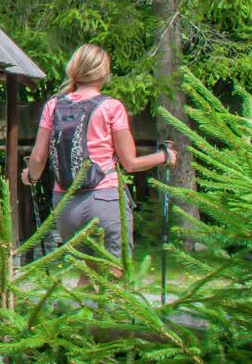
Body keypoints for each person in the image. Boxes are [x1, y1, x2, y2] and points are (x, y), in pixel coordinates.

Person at [21, 44, 177, 275]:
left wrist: (30, 177)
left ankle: (83, 312)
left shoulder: (53, 106)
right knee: (115, 275)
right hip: (105, 199)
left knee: (87, 275)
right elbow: (130, 163)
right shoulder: (111, 107)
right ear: (104, 72)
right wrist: (164, 156)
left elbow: (37, 158)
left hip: (65, 203)